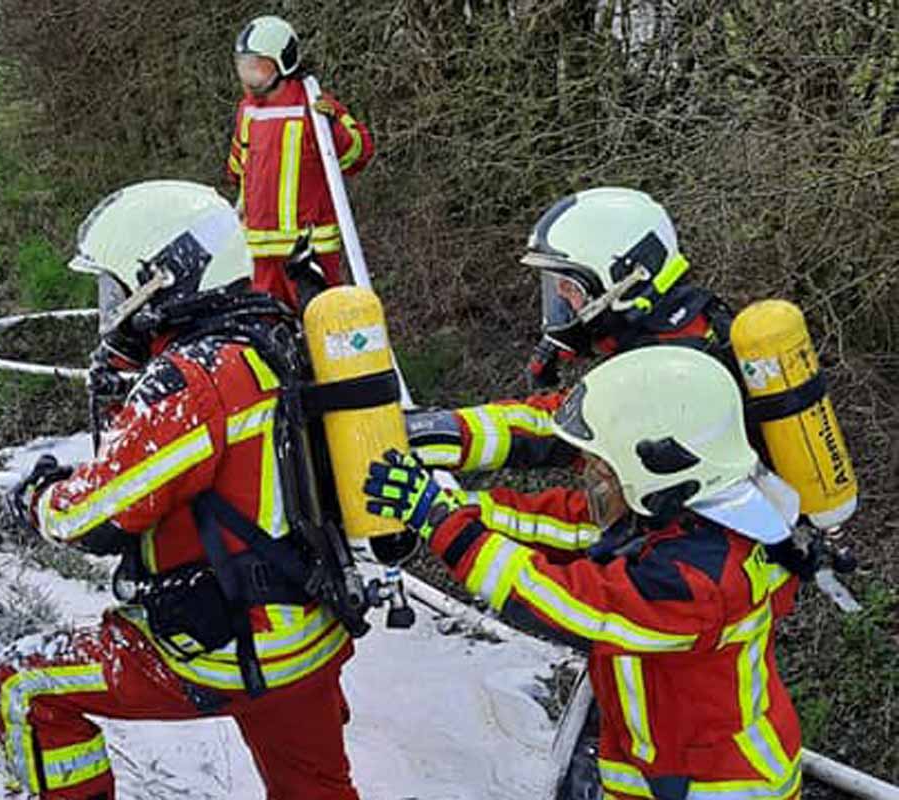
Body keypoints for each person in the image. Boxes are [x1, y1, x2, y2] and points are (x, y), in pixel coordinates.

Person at [0, 180, 361, 800]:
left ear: (164, 282)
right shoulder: (273, 336)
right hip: (310, 635)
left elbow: (96, 516)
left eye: (117, 289)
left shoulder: (190, 383)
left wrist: (40, 499)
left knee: (23, 684)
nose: (113, 309)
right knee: (316, 792)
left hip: (226, 642)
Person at [365, 346, 806, 800]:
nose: (594, 485)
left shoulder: (698, 582)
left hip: (723, 786)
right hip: (659, 770)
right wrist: (459, 509)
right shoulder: (699, 520)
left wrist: (439, 524)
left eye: (604, 472)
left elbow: (559, 601)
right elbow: (565, 524)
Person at [406, 187, 738, 502]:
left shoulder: (665, 372)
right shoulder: (685, 324)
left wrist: (449, 436)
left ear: (628, 278)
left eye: (570, 286)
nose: (562, 299)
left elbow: (558, 429)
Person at [227, 15, 374, 309]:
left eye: (258, 68)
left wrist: (332, 126)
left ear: (283, 63)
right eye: (245, 67)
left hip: (309, 252)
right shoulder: (247, 112)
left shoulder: (314, 106)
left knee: (320, 329)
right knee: (266, 332)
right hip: (258, 252)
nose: (250, 77)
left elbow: (358, 155)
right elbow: (237, 169)